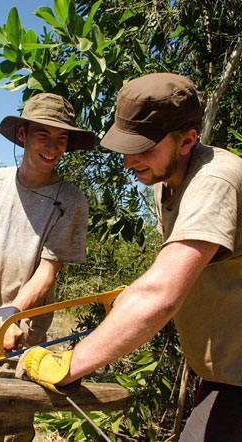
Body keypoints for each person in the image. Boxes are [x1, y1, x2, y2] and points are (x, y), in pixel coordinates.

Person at [16, 73, 242, 442]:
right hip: (223, 374)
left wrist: (71, 362)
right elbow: (179, 272)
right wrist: (133, 297)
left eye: (143, 148)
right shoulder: (165, 181)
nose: (127, 163)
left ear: (186, 140)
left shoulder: (215, 181)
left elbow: (161, 294)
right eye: (124, 147)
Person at [0, 93, 95, 440]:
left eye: (62, 139)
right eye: (44, 135)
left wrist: (12, 314)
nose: (53, 146)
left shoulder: (71, 200)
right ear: (23, 135)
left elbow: (47, 271)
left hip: (13, 346)